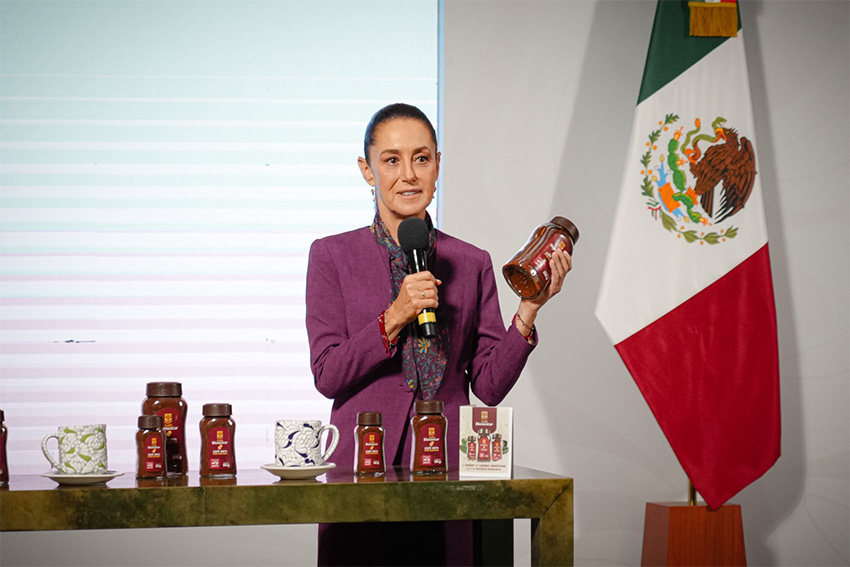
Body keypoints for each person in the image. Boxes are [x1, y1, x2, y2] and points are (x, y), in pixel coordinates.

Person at [305, 103, 571, 566]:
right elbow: (328, 374)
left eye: (421, 158)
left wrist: (529, 308)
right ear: (367, 171)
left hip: (449, 472)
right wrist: (395, 315)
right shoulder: (332, 256)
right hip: (362, 471)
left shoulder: (471, 261)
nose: (408, 174)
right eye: (391, 160)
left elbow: (487, 387)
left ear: (438, 164)